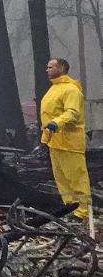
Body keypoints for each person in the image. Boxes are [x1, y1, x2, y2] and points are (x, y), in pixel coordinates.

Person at [40, 58, 90, 221]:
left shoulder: (71, 89)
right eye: (47, 67)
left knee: (76, 178)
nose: (47, 70)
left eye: (50, 67)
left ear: (61, 68)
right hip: (55, 141)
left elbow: (72, 112)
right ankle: (70, 207)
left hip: (69, 142)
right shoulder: (54, 88)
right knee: (62, 180)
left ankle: (82, 211)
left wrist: (57, 122)